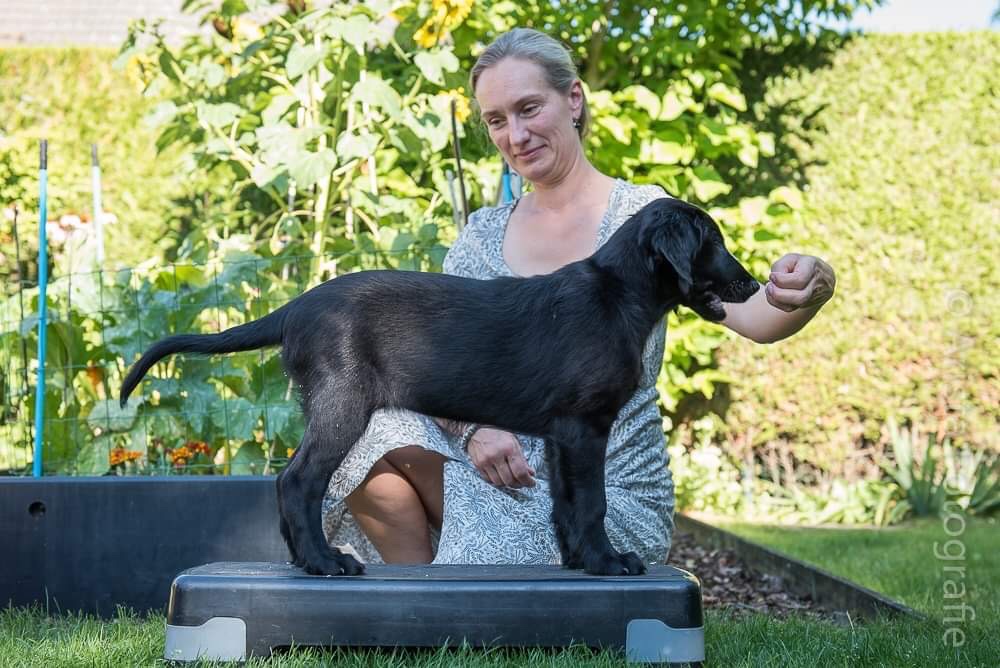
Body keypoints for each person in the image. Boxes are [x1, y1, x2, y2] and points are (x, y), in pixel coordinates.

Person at [321, 28, 836, 566]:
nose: (516, 135)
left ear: (573, 99)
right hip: (495, 478)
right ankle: (420, 597)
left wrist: (812, 284)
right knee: (367, 431)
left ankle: (463, 585)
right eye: (496, 120)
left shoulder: (642, 219)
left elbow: (757, 317)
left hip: (604, 499)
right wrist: (473, 428)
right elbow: (435, 366)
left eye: (528, 108)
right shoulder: (480, 238)